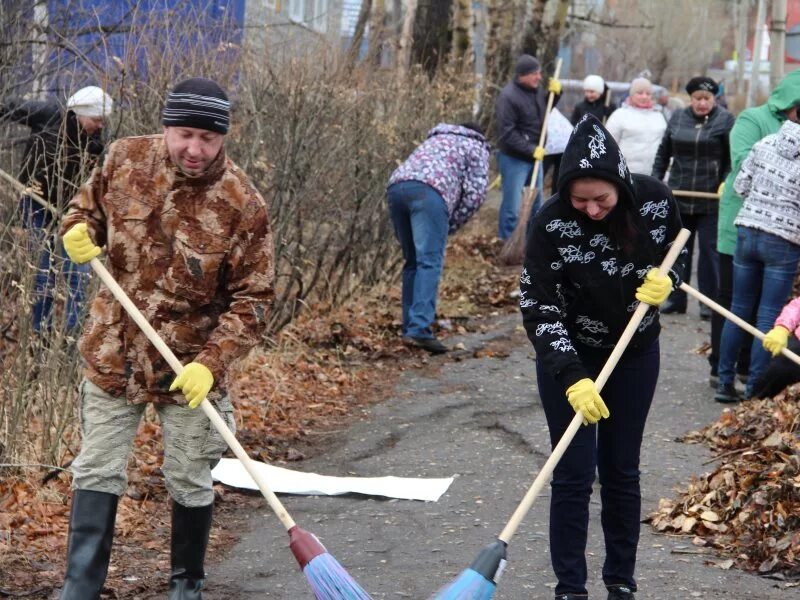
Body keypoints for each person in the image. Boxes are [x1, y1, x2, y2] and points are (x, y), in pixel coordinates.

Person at [57, 77, 275, 599]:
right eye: (183, 134)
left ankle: (186, 585)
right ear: (165, 127)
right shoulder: (123, 159)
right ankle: (80, 587)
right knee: (98, 468)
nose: (194, 149)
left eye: (207, 137)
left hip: (188, 368)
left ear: (224, 137)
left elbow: (255, 300)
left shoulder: (242, 203)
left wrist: (211, 362)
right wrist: (77, 232)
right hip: (113, 354)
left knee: (188, 475)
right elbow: (83, 210)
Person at [520, 114, 687, 600]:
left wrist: (667, 285)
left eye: (601, 199)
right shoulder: (550, 221)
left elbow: (674, 257)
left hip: (634, 352)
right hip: (571, 357)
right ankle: (570, 587)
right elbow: (539, 303)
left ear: (619, 186)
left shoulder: (654, 200)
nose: (591, 209)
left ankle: (621, 582)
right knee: (572, 472)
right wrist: (571, 374)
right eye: (580, 200)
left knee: (621, 468)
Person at [713, 70, 800, 389]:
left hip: (748, 231)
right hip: (784, 241)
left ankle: (723, 383)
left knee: (738, 307)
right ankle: (753, 388)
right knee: (769, 315)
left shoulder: (765, 142)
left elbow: (740, 184)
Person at [0, 86, 112, 334]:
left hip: (69, 211)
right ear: (80, 113)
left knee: (78, 276)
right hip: (34, 203)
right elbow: (7, 107)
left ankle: (72, 340)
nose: (100, 125)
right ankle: (42, 336)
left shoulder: (95, 144)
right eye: (96, 119)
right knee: (42, 273)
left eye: (103, 120)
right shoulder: (49, 115)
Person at [387, 122, 490, 354]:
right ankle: (419, 328)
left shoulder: (435, 138)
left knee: (413, 261)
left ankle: (410, 325)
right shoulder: (476, 146)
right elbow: (476, 194)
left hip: (397, 187)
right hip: (430, 193)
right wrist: (450, 224)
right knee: (429, 261)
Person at [652, 76, 734, 327]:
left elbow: (731, 158)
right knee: (677, 250)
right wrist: (656, 183)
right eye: (697, 99)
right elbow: (663, 154)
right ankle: (676, 299)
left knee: (709, 253)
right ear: (691, 99)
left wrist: (725, 182)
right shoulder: (677, 118)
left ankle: (708, 303)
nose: (702, 103)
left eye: (707, 99)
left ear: (714, 99)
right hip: (680, 195)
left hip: (710, 198)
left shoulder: (725, 120)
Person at [495, 53, 561, 239]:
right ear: (521, 75)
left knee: (536, 204)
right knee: (512, 206)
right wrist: (531, 149)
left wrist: (555, 94)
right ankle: (506, 240)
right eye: (534, 74)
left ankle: (533, 243)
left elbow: (545, 111)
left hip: (535, 157)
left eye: (539, 73)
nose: (539, 77)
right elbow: (507, 133)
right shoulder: (508, 97)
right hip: (514, 159)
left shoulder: (536, 91)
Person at [604, 78, 666, 175]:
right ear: (632, 95)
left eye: (648, 94)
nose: (644, 97)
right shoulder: (619, 115)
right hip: (627, 173)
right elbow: (608, 145)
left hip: (653, 174)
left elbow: (665, 146)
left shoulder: (659, 116)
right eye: (640, 93)